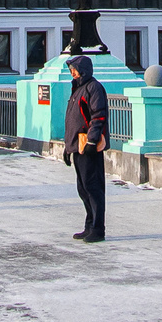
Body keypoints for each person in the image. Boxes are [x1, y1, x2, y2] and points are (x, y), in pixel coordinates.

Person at [62, 53, 110, 242]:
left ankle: (98, 229)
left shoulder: (94, 88)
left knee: (93, 188)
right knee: (83, 189)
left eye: (74, 70)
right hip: (78, 147)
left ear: (83, 70)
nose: (72, 73)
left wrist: (92, 141)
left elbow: (98, 116)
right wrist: (68, 147)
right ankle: (89, 225)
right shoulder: (78, 89)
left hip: (89, 148)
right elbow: (73, 121)